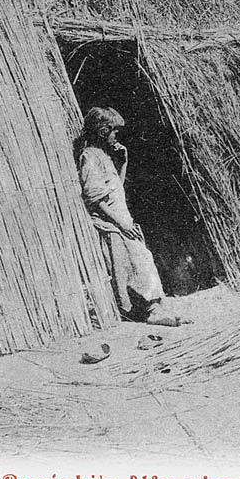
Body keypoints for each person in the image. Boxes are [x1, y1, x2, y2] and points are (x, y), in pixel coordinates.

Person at [76, 106, 184, 327]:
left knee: (143, 259)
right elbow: (95, 198)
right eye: (114, 131)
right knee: (138, 260)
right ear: (102, 131)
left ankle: (157, 307)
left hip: (120, 218)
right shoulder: (89, 157)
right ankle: (151, 311)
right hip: (111, 222)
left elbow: (117, 188)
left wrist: (123, 162)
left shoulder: (104, 156)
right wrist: (122, 223)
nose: (117, 135)